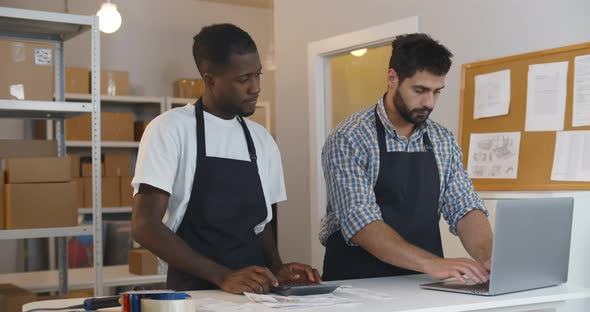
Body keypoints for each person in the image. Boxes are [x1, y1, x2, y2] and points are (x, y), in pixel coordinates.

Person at [131, 23, 320, 294]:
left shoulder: (261, 139)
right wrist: (222, 276)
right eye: (243, 80)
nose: (255, 88)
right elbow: (144, 225)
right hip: (193, 293)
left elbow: (261, 224)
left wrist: (277, 268)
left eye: (258, 75)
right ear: (210, 80)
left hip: (256, 293)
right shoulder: (170, 130)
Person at [320, 33, 493, 284]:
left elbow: (464, 207)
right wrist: (433, 263)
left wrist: (489, 256)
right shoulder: (350, 137)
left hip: (422, 283)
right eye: (420, 90)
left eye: (437, 91)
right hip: (357, 284)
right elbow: (360, 222)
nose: (429, 102)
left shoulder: (442, 140)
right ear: (393, 79)